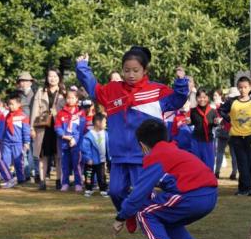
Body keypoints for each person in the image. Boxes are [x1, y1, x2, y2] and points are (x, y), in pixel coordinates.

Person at [76, 47, 189, 224]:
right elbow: (93, 88)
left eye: (136, 70)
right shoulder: (113, 91)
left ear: (145, 71)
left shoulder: (157, 91)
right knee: (115, 191)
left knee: (143, 195)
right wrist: (82, 67)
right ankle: (127, 214)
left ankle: (155, 224)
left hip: (144, 155)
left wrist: (181, 82)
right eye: (127, 70)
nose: (131, 74)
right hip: (119, 154)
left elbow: (177, 100)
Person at [112, 118, 217, 239]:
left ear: (142, 145)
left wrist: (121, 217)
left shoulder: (157, 156)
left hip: (192, 196)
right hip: (210, 195)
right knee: (166, 218)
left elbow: (138, 194)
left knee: (144, 213)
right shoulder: (173, 150)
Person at [218, 77, 251, 196]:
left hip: (250, 136)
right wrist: (229, 119)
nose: (243, 90)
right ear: (237, 88)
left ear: (250, 88)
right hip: (236, 136)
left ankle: (248, 188)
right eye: (240, 87)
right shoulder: (232, 101)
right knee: (241, 162)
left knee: (250, 162)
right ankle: (244, 189)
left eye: (245, 87)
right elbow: (221, 110)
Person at [31, 69, 66, 190]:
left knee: (58, 155)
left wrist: (58, 113)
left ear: (59, 78)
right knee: (43, 155)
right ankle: (42, 181)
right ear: (46, 78)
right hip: (43, 128)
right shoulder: (40, 92)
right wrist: (32, 128)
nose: (52, 78)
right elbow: (35, 111)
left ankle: (58, 180)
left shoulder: (63, 92)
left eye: (55, 76)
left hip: (58, 126)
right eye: (50, 76)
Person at [54, 88, 86, 191]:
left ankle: (78, 183)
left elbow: (81, 129)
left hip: (76, 143)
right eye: (68, 98)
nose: (70, 100)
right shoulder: (61, 113)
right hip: (64, 142)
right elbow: (57, 127)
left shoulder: (81, 113)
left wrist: (74, 140)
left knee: (77, 164)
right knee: (64, 164)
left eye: (72, 98)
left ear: (77, 99)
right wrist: (64, 136)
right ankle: (65, 183)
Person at [1, 93, 31, 186]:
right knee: (5, 160)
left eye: (13, 104)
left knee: (18, 161)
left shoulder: (23, 116)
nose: (11, 106)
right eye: (9, 104)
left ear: (19, 104)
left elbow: (26, 130)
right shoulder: (7, 116)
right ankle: (7, 178)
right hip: (6, 142)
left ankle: (21, 178)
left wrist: (26, 141)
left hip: (18, 143)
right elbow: (4, 128)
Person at [81, 112, 109, 197]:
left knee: (101, 176)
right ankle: (88, 189)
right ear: (97, 122)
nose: (105, 124)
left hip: (101, 160)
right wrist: (88, 158)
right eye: (104, 122)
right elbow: (85, 148)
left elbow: (108, 146)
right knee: (89, 175)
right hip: (91, 161)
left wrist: (109, 157)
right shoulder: (89, 135)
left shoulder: (106, 133)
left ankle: (103, 189)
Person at [189, 88, 218, 171]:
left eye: (204, 97)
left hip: (208, 141)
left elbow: (214, 124)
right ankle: (197, 182)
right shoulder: (193, 111)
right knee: (196, 163)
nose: (202, 99)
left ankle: (209, 182)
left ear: (208, 98)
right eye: (199, 97)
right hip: (196, 140)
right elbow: (191, 123)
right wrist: (189, 122)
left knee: (209, 164)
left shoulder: (213, 111)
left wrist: (216, 123)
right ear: (196, 98)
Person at [215, 87, 239, 180]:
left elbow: (219, 111)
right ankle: (234, 173)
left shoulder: (226, 103)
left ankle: (217, 172)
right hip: (234, 131)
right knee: (234, 154)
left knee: (220, 152)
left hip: (224, 130)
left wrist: (226, 118)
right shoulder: (239, 104)